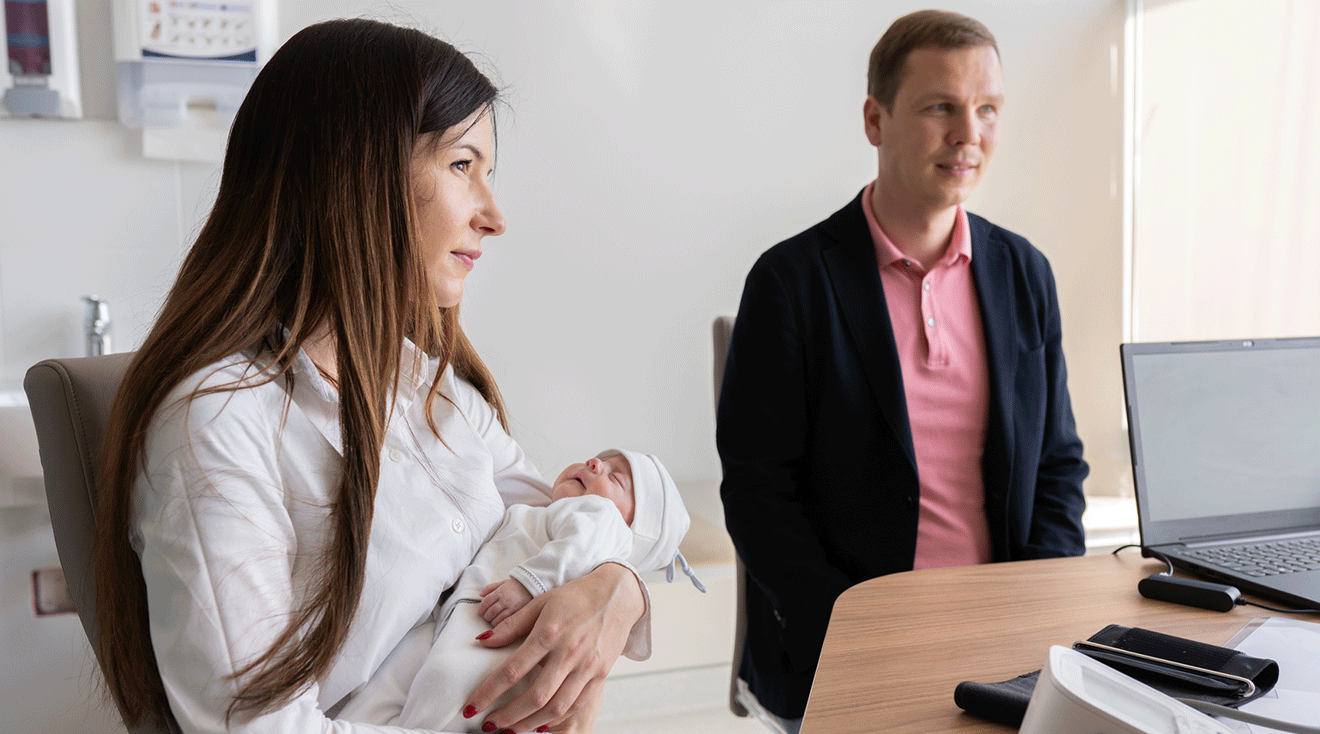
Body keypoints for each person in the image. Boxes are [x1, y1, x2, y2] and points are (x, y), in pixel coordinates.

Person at [91, 18, 662, 734]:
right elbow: (259, 728)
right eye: (462, 166)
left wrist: (617, 589)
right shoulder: (216, 426)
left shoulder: (432, 387)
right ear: (358, 173)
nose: (494, 215)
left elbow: (570, 517)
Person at [716, 10, 1089, 733]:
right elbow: (760, 498)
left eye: (987, 110)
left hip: (1002, 648)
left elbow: (1058, 468)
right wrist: (862, 631)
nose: (969, 135)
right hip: (845, 649)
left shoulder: (1024, 274)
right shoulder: (790, 281)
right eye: (940, 108)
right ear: (874, 119)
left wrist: (1030, 610)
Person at [338, 449, 700, 731]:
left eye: (615, 476)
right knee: (387, 687)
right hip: (457, 619)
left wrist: (531, 584)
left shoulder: (598, 518)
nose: (595, 463)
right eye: (600, 459)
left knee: (443, 688)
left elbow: (583, 541)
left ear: (631, 529)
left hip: (499, 627)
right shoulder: (543, 513)